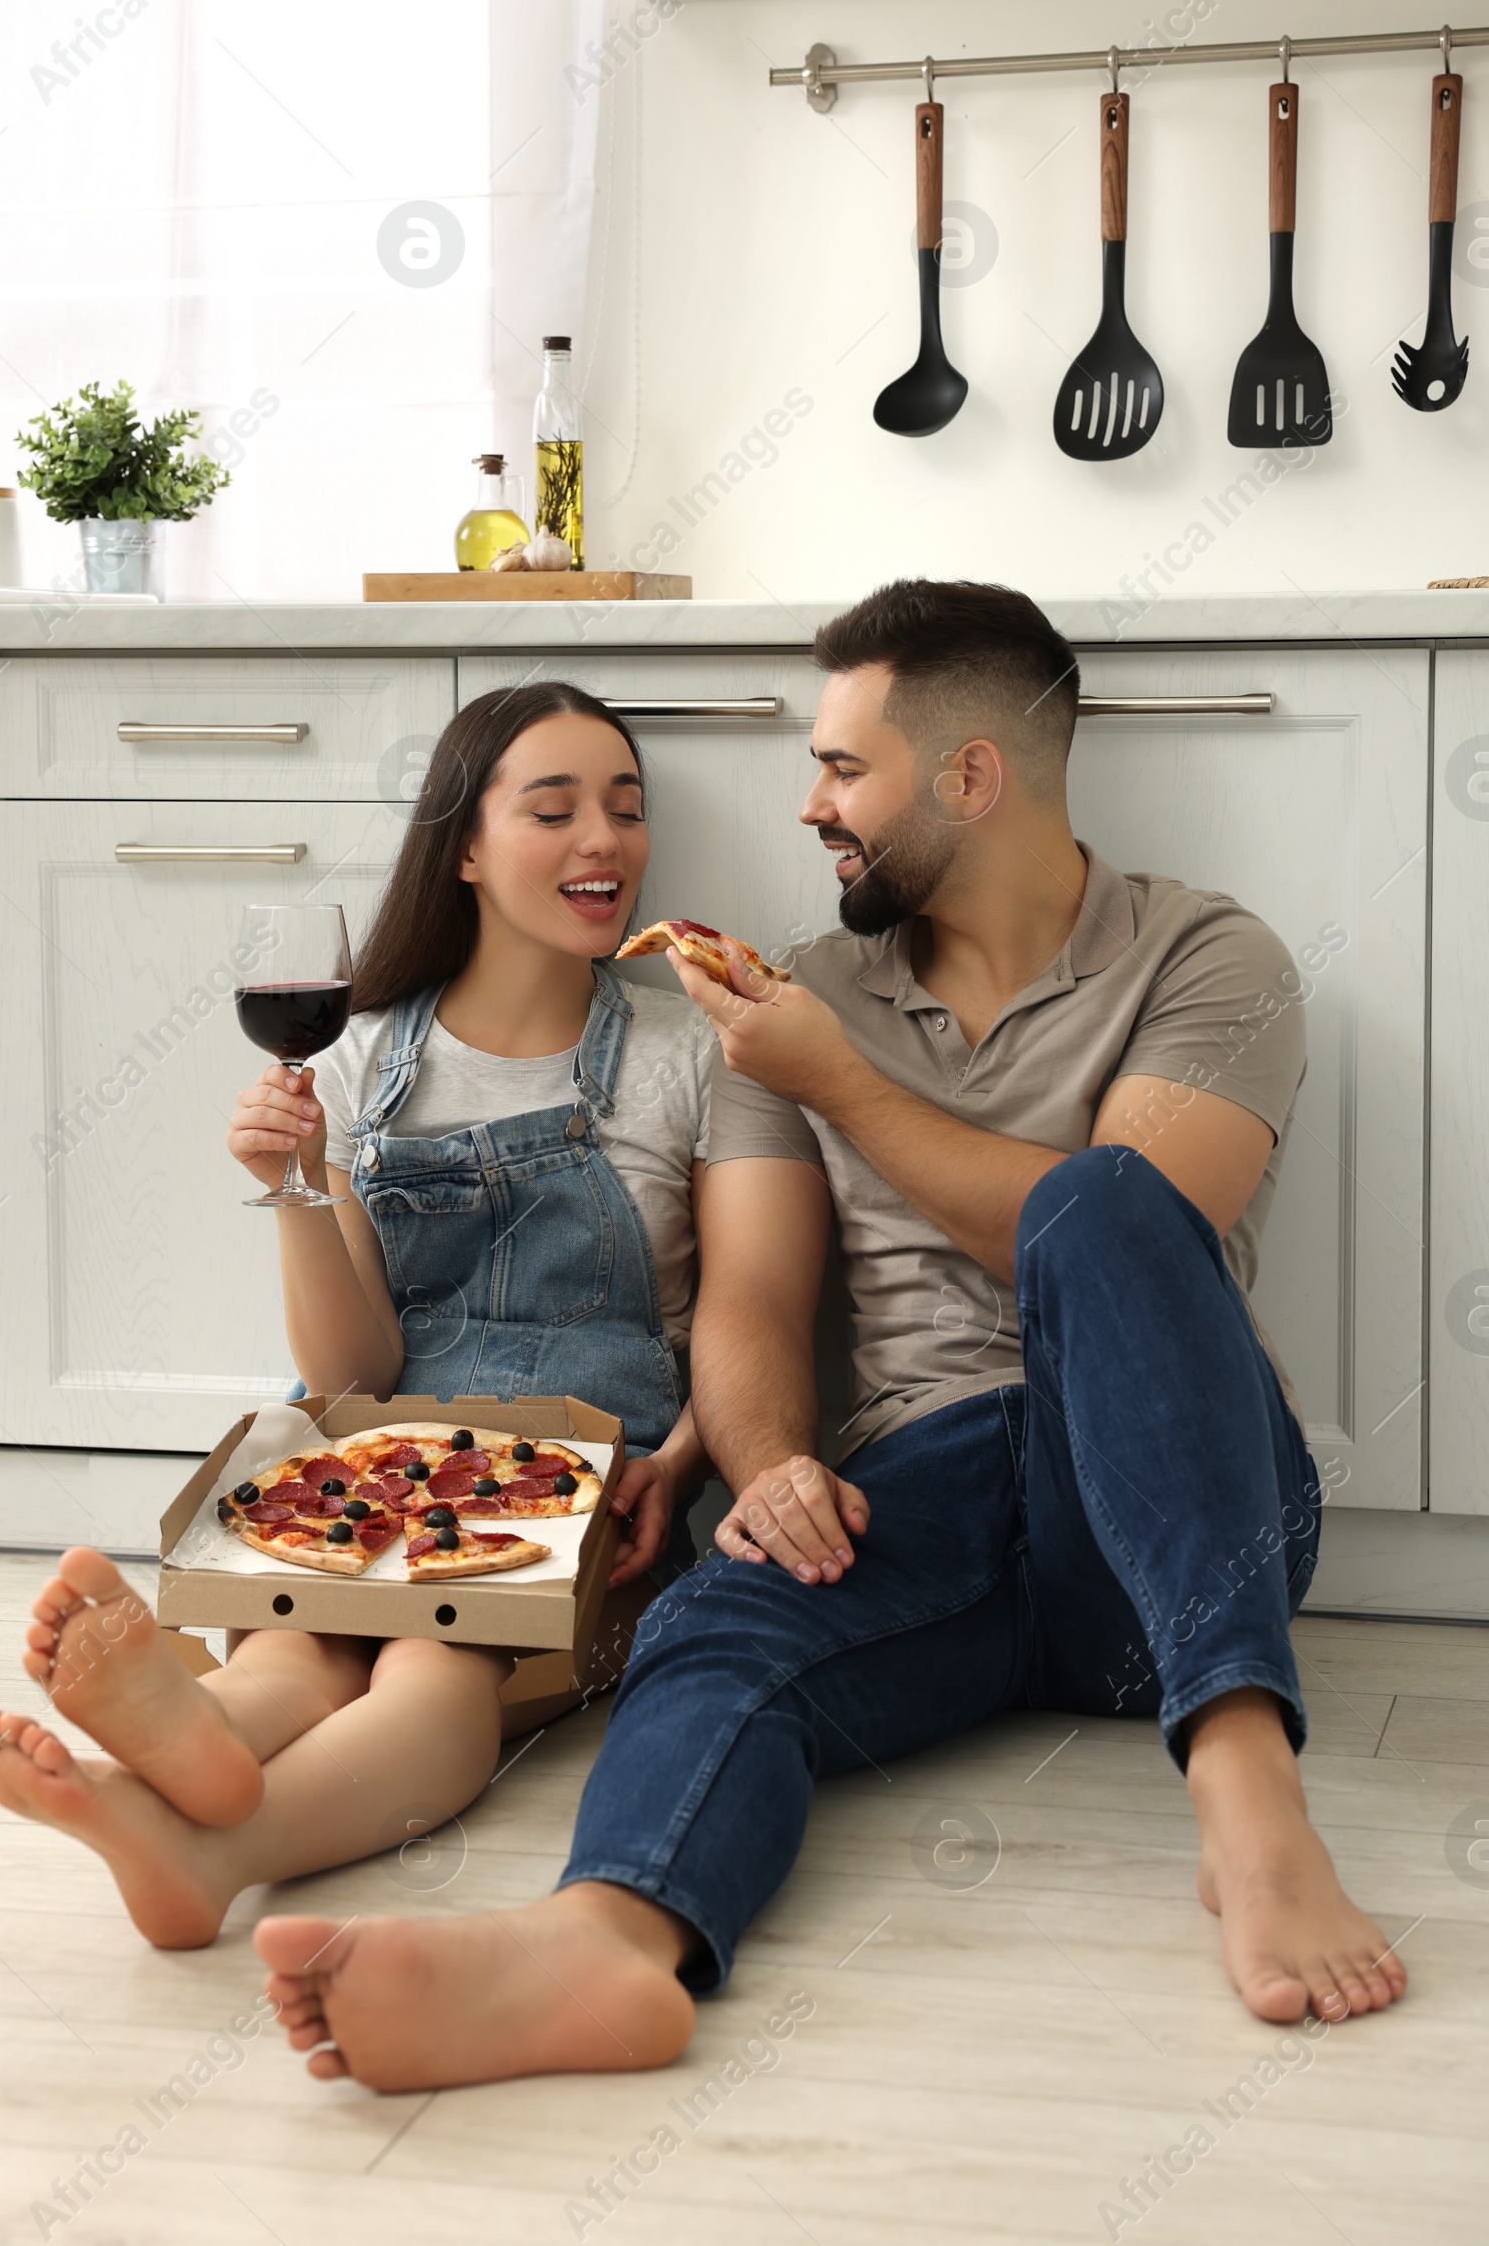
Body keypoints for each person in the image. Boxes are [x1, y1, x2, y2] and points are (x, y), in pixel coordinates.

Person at [238, 579, 1407, 2092]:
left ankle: (1250, 1797)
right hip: (920, 1480)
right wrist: (772, 1458)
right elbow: (757, 1297)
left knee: (1103, 1202)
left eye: (844, 768)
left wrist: (843, 1081)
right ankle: (606, 1939)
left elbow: (1132, 1247)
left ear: (970, 776)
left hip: (1175, 1528)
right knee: (714, 1626)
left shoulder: (1208, 959)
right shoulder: (798, 994)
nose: (809, 805)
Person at [0, 683, 714, 1948]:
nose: (606, 840)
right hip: (382, 1459)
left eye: (625, 810)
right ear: (462, 846)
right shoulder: (362, 1056)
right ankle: (191, 1749)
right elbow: (353, 1367)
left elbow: (748, 1320)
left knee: (430, 1657)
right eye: (556, 807)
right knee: (295, 1646)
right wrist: (295, 1188)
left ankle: (205, 1829)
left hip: (577, 1493)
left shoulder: (690, 1049)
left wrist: (685, 1463)